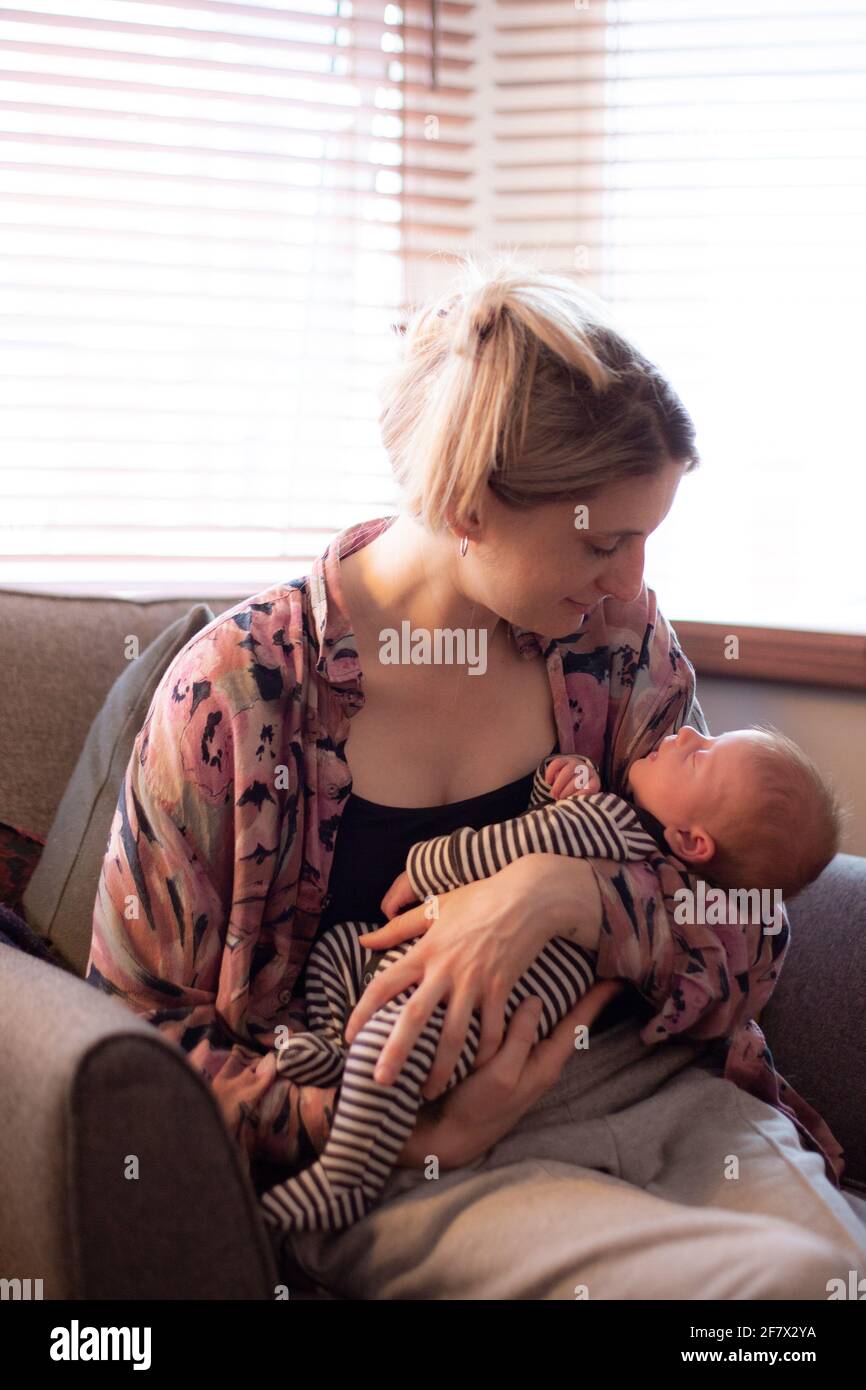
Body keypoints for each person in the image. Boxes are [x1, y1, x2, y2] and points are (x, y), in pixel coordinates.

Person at [87, 253, 866, 1299]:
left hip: (657, 1091)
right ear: (467, 511)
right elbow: (137, 1045)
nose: (633, 581)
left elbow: (750, 922)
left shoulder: (613, 645)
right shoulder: (240, 699)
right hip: (412, 1154)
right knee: (773, 1294)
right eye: (605, 541)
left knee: (835, 1277)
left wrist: (572, 895)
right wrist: (397, 1127)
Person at [261, 725, 845, 1237]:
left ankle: (345, 1176)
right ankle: (339, 1051)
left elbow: (509, 845)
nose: (691, 734)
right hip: (425, 977)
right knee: (349, 958)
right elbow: (549, 825)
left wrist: (427, 864)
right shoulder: (635, 840)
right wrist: (558, 788)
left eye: (702, 755)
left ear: (693, 843)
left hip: (471, 1000)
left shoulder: (614, 820)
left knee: (388, 1035)